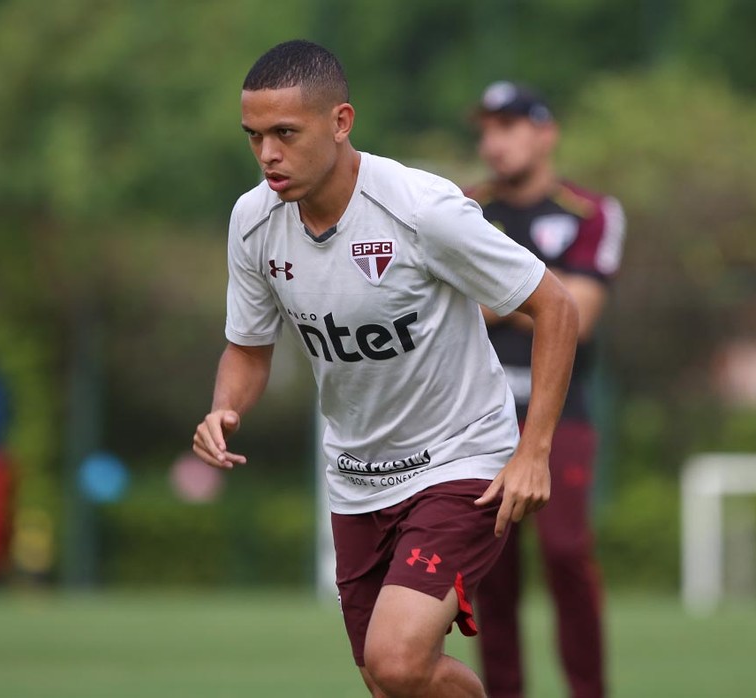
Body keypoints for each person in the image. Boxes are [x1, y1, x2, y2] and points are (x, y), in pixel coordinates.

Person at [192, 41, 579, 698]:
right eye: (254, 136)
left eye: (285, 133)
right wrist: (226, 406)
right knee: (387, 678)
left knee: (398, 659)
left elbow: (556, 307)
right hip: (357, 478)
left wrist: (533, 450)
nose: (267, 155)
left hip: (462, 462)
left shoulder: (422, 209)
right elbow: (250, 349)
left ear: (340, 122)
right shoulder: (252, 222)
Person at [466, 81, 626, 698]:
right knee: (492, 574)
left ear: (545, 132)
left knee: (565, 552)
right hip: (482, 418)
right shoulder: (463, 208)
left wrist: (503, 292)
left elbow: (580, 315)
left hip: (563, 414)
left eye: (507, 127)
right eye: (485, 130)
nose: (493, 143)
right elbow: (457, 311)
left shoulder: (590, 213)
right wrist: (539, 295)